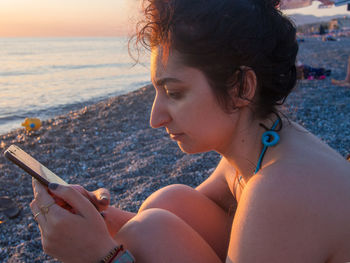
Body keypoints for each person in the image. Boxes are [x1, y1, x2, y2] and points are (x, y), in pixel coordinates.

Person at [30, 0, 350, 262]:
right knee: (170, 205)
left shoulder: (281, 191)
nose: (156, 118)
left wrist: (100, 256)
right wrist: (92, 219)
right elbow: (163, 227)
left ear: (242, 87)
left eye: (175, 92)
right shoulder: (264, 143)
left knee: (150, 229)